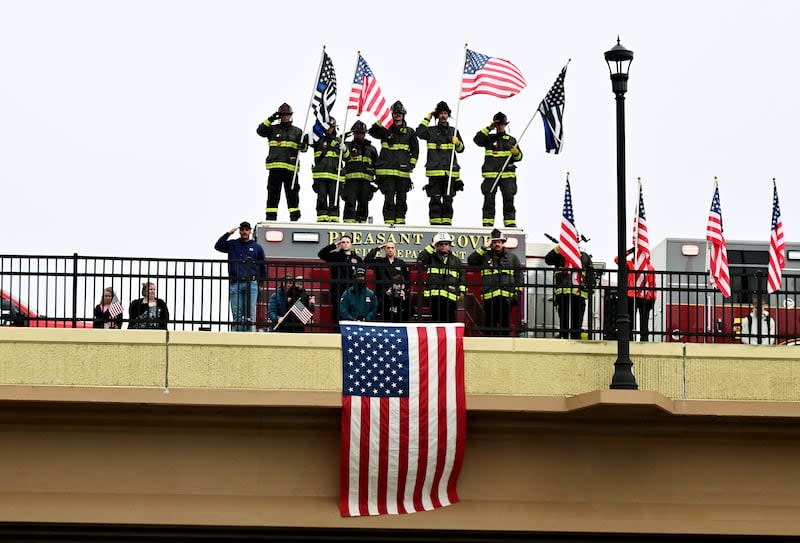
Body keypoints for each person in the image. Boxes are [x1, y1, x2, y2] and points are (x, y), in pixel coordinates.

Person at [368, 101, 419, 226]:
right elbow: (372, 131)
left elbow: (415, 150)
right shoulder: (384, 130)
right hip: (386, 171)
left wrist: (411, 165)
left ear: (403, 115)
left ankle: (400, 222)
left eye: (400, 113)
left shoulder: (410, 132)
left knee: (402, 198)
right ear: (392, 114)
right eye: (395, 113)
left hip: (402, 172)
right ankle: (389, 222)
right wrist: (382, 119)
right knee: (389, 198)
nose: (397, 115)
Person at [256, 103, 308, 221]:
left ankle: (295, 218)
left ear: (291, 116)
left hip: (291, 168)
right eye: (283, 115)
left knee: (292, 194)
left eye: (287, 115)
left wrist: (303, 146)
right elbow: (260, 131)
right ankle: (271, 218)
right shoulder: (272, 129)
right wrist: (271, 118)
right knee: (273, 193)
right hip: (275, 168)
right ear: (279, 116)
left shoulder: (298, 131)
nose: (285, 117)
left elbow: (304, 149)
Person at [417, 101, 465, 226]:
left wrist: (458, 143)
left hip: (450, 172)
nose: (443, 116)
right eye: (441, 113)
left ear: (448, 115)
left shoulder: (454, 131)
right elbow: (419, 132)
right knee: (435, 199)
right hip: (434, 172)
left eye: (445, 113)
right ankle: (435, 225)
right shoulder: (430, 131)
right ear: (437, 116)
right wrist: (427, 117)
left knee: (448, 200)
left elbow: (461, 150)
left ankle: (447, 225)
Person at [467, 229, 523, 336]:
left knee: (505, 324)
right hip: (490, 296)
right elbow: (471, 260)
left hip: (506, 298)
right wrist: (483, 248)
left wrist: (517, 292)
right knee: (489, 324)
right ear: (491, 243)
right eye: (494, 242)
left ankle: (504, 347)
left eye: (499, 242)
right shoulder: (485, 256)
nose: (497, 244)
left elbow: (519, 275)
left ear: (503, 243)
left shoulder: (512, 258)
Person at [214, 221, 267, 332]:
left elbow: (263, 266)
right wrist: (228, 233)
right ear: (239, 231)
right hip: (235, 283)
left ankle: (249, 341)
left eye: (246, 230)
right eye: (242, 230)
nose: (244, 232)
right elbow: (218, 246)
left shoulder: (257, 247)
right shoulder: (233, 244)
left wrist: (261, 284)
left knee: (250, 316)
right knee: (237, 316)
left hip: (251, 284)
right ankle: (236, 340)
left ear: (250, 231)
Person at [473, 112, 523, 228]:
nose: (500, 126)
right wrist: (488, 128)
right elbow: (477, 139)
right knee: (489, 200)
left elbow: (520, 158)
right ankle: (487, 224)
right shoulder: (488, 139)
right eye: (498, 124)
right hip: (491, 176)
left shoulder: (511, 140)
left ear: (505, 125)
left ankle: (510, 223)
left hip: (507, 176)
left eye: (502, 124)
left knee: (509, 199)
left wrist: (516, 154)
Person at [545, 245, 592, 339]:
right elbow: (548, 260)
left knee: (577, 315)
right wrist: (559, 247)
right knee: (563, 314)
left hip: (579, 292)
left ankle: (576, 334)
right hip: (563, 291)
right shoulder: (560, 254)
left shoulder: (584, 256)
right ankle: (564, 334)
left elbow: (590, 273)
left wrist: (591, 289)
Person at [417, 231, 466, 323]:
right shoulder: (430, 257)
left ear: (449, 245)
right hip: (434, 295)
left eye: (446, 244)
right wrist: (432, 246)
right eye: (441, 244)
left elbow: (462, 276)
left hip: (451, 296)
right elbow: (420, 260)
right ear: (437, 245)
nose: (444, 246)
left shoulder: (456, 260)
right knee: (436, 322)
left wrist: (462, 291)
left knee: (450, 321)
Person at [318, 235, 364, 328]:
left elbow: (361, 276)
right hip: (337, 290)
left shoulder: (357, 259)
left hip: (353, 291)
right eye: (343, 242)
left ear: (351, 244)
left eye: (347, 242)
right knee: (338, 313)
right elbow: (321, 254)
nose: (345, 244)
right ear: (340, 244)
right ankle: (337, 333)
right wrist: (334, 245)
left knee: (352, 313)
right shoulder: (334, 256)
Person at [614, 250, 657, 342]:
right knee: (629, 319)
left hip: (645, 297)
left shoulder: (649, 268)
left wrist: (653, 297)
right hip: (631, 295)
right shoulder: (629, 264)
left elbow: (652, 284)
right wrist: (628, 251)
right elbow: (617, 260)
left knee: (644, 320)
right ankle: (629, 338)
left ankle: (644, 339)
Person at [311, 117, 347, 222]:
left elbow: (347, 157)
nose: (330, 129)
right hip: (321, 175)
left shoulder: (339, 140)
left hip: (335, 175)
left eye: (332, 127)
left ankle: (334, 219)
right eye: (328, 126)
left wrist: (344, 150)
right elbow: (308, 143)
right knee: (321, 198)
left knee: (334, 199)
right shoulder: (317, 139)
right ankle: (322, 218)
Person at [342, 120, 379, 223]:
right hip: (350, 182)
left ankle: (362, 225)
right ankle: (348, 225)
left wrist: (377, 182)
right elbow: (340, 154)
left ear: (365, 133)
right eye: (357, 132)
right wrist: (341, 138)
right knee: (350, 203)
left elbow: (377, 166)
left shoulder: (371, 149)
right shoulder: (347, 146)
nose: (359, 135)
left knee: (364, 204)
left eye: (361, 133)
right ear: (353, 133)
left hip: (366, 182)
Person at [364, 241, 409, 320]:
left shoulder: (401, 262)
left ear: (395, 249)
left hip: (397, 295)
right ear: (384, 249)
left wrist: (403, 291)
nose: (390, 250)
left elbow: (407, 280)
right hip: (383, 295)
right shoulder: (379, 261)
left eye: (392, 248)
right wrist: (378, 248)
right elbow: (366, 260)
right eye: (388, 248)